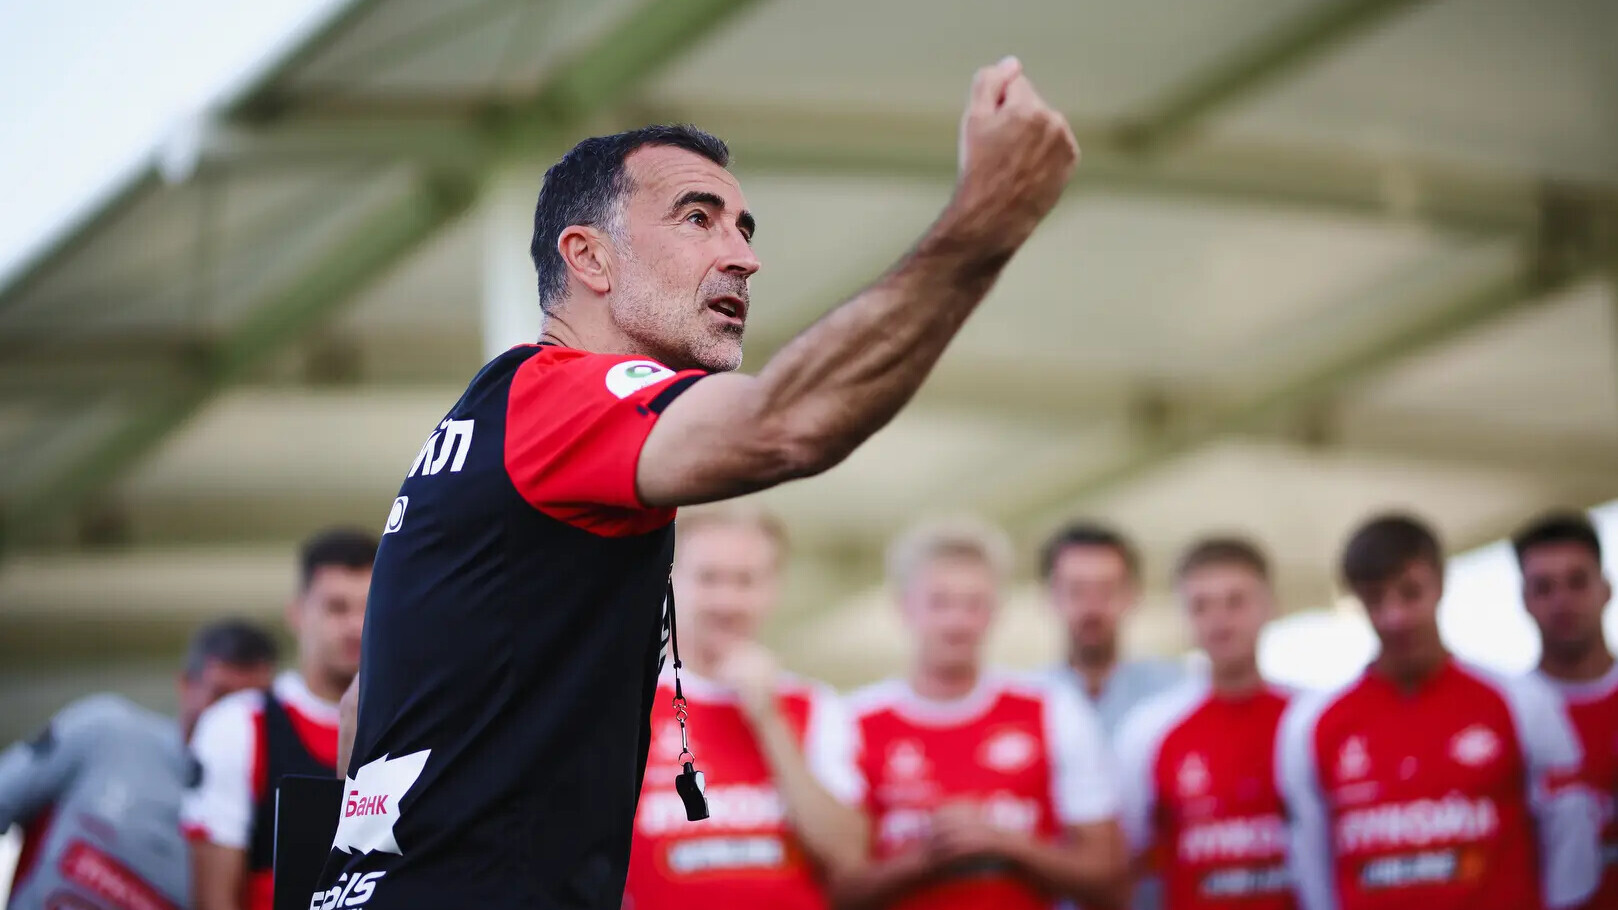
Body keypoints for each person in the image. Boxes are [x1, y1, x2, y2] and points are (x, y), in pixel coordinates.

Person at [316, 57, 1078, 910]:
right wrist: (988, 220)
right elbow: (791, 423)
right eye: (697, 217)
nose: (744, 257)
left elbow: (362, 717)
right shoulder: (560, 394)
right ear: (589, 257)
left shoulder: (489, 424)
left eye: (744, 228)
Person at [1276, 513, 1600, 910]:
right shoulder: (1312, 723)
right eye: (1375, 599)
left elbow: (1570, 837)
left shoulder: (1520, 701)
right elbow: (1310, 860)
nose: (1395, 616)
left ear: (1441, 582)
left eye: (1410, 592)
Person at [837, 519, 1128, 910]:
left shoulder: (1051, 709)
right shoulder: (851, 721)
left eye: (974, 604)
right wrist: (927, 856)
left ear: (996, 611)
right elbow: (835, 891)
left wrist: (1005, 841)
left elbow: (1110, 882)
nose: (957, 622)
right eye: (940, 602)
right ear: (903, 607)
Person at [622, 507, 865, 910]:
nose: (727, 601)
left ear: (774, 588)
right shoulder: (629, 700)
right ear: (669, 582)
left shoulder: (814, 705)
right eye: (709, 578)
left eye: (745, 580)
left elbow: (847, 854)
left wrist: (769, 717)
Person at [0, 619, 277, 910]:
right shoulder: (105, 731)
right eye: (221, 695)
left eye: (248, 705)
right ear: (186, 684)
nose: (231, 717)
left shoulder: (260, 818)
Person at [184, 529, 375, 910]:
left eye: (369, 609)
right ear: (297, 614)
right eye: (337, 608)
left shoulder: (416, 728)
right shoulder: (238, 726)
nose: (356, 625)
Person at [1114, 538, 1293, 910]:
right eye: (1200, 606)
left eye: (1235, 602)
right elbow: (1126, 859)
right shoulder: (1149, 729)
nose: (1219, 621)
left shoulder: (1307, 719)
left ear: (1270, 605)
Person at [1516, 511, 1618, 909]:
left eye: (1577, 582)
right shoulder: (1506, 716)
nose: (1562, 601)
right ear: (1525, 600)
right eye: (1544, 587)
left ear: (1606, 588)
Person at [1042, 523, 1185, 739]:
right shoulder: (1030, 701)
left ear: (1133, 595)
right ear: (1051, 596)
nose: (1092, 606)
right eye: (1076, 591)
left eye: (1106, 590)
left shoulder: (1174, 694)